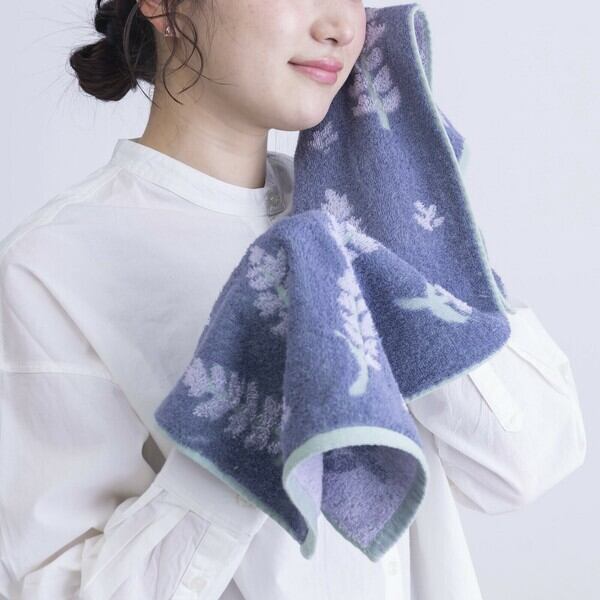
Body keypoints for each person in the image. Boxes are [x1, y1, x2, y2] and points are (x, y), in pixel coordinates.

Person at [0, 1, 587, 598]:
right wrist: (239, 427)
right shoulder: (54, 264)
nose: (340, 26)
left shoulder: (361, 212)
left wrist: (404, 220)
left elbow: (525, 464)